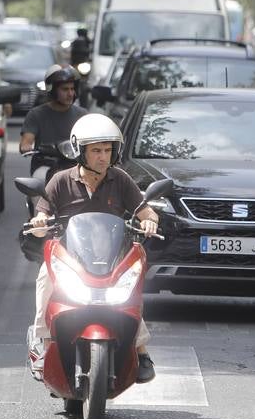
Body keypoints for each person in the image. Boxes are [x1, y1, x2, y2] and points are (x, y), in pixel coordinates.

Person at [26, 113, 160, 383]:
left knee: (130, 294)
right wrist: (39, 221)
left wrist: (150, 223)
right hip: (69, 259)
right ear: (80, 152)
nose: (103, 157)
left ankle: (141, 350)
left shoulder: (120, 179)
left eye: (108, 150)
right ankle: (43, 341)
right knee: (44, 281)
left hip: (111, 258)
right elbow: (40, 219)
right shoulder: (60, 180)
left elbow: (147, 213)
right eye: (96, 150)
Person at [19, 65, 87, 173]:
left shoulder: (83, 115)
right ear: (52, 90)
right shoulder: (36, 114)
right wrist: (26, 147)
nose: (70, 93)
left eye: (72, 89)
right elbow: (26, 142)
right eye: (65, 89)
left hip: (76, 167)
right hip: (45, 166)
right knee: (39, 179)